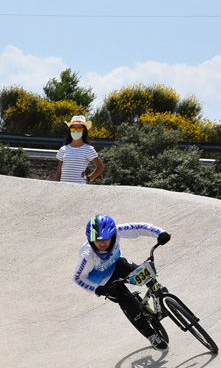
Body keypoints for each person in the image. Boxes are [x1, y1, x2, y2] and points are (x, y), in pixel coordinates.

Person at [74, 214, 172, 350]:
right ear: (90, 240)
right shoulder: (87, 255)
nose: (102, 244)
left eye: (106, 240)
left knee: (144, 272)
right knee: (128, 302)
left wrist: (160, 232)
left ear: (113, 235)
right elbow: (78, 277)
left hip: (117, 265)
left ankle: (157, 291)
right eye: (97, 241)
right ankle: (151, 336)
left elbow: (139, 228)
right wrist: (96, 289)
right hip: (104, 281)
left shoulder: (117, 231)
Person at [55, 115, 104, 184]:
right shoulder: (63, 149)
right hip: (63, 187)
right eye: (73, 128)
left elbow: (100, 167)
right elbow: (59, 172)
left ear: (84, 131)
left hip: (79, 187)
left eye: (79, 128)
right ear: (70, 130)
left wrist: (89, 178)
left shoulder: (89, 149)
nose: (76, 131)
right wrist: (55, 186)